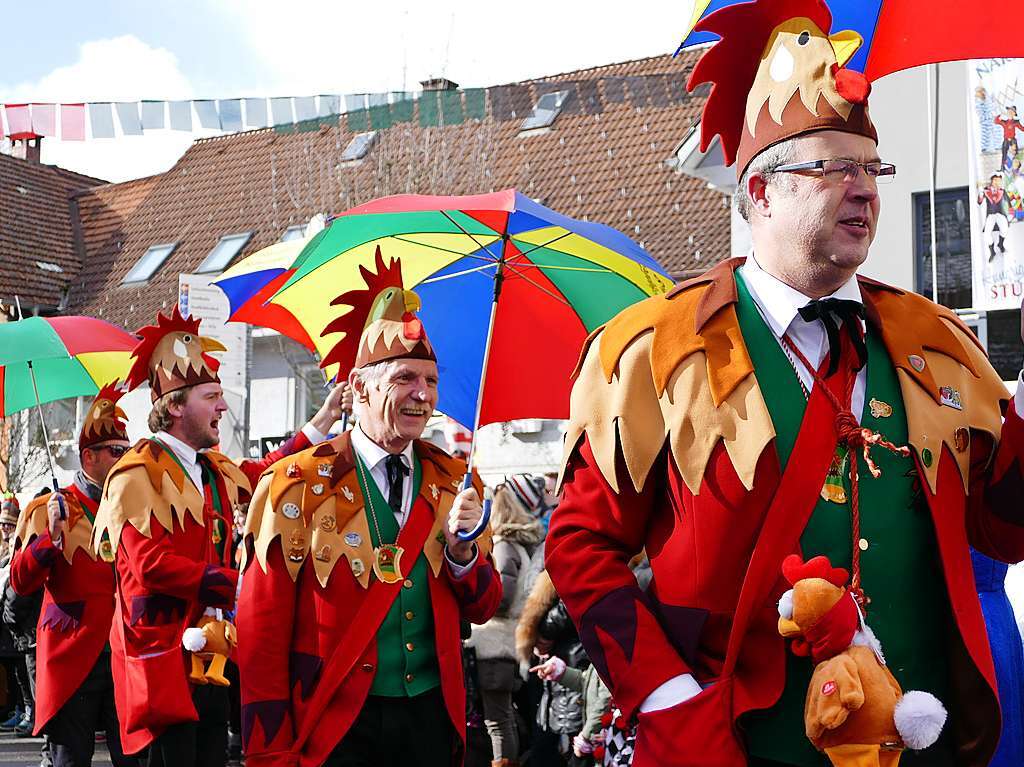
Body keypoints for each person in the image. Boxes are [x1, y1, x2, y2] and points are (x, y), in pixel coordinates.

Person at [545, 2, 1024, 766]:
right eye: (834, 166)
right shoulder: (651, 349)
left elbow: (1005, 529)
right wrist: (667, 699)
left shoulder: (938, 343)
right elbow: (579, 545)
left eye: (873, 168)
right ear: (760, 192)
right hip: (739, 746)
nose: (865, 189)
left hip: (923, 740)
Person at [237, 250, 501, 767]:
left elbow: (485, 606)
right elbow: (260, 632)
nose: (422, 395)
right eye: (405, 378)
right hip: (335, 724)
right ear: (359, 388)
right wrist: (270, 750)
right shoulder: (295, 482)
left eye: (430, 381)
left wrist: (463, 555)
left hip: (430, 720)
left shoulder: (454, 481)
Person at [91, 305, 348, 767]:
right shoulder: (134, 473)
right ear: (174, 406)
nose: (224, 407)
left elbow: (267, 472)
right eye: (212, 397)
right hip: (162, 667)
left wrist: (324, 419)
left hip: (214, 660)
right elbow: (147, 566)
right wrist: (240, 584)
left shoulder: (214, 469)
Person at [8, 383, 138, 766]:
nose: (124, 459)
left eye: (127, 451)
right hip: (72, 657)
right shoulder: (48, 507)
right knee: (69, 761)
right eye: (117, 452)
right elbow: (20, 581)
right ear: (89, 456)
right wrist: (51, 538)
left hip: (122, 653)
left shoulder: (131, 506)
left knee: (133, 759)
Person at [467, 483, 544, 766]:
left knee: (497, 718)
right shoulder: (518, 546)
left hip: (494, 643)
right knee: (502, 716)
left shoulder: (503, 547)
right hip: (505, 642)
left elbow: (500, 598)